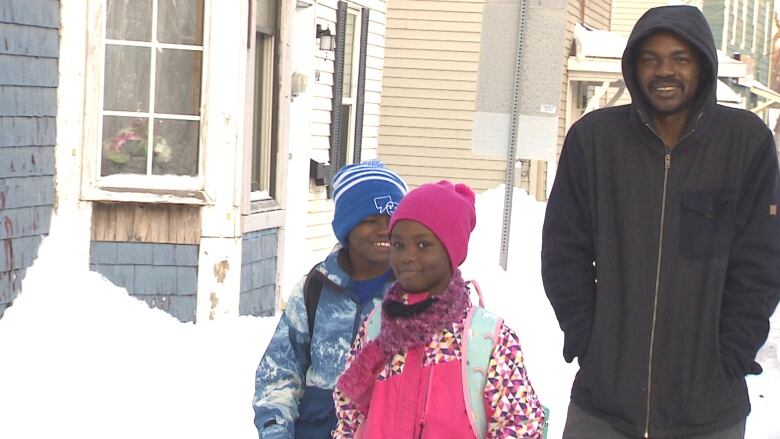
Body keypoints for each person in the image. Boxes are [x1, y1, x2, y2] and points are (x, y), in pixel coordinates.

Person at [541, 5, 780, 438]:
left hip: (709, 412)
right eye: (650, 58)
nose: (664, 70)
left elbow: (761, 264)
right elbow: (563, 252)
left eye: (680, 58)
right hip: (603, 409)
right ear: (633, 67)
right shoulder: (594, 142)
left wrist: (729, 355)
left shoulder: (745, 144)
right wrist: (588, 340)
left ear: (703, 66)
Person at [333, 180, 546, 438]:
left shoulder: (486, 339)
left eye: (423, 245)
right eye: (398, 244)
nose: (407, 256)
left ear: (451, 250)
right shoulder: (376, 327)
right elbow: (349, 414)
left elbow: (522, 424)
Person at [253, 160, 407, 438]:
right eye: (371, 220)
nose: (385, 230)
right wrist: (276, 429)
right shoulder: (316, 287)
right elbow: (280, 371)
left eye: (392, 221)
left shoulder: (411, 295)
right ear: (347, 226)